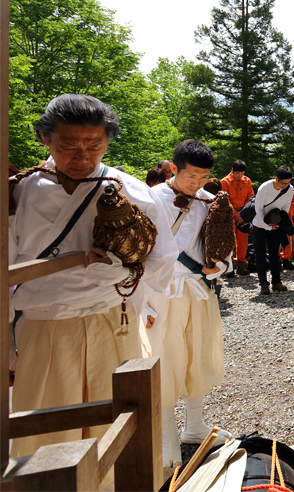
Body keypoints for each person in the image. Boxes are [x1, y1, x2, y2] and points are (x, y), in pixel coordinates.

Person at [9, 94, 176, 461]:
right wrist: (7, 349)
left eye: (94, 146)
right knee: (43, 440)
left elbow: (163, 259)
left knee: (116, 435)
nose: (82, 156)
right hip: (43, 328)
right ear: (44, 138)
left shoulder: (130, 190)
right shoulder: (20, 194)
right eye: (68, 145)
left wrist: (127, 277)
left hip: (110, 322)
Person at [143, 140, 232, 467]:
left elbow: (223, 247)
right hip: (162, 293)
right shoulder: (151, 199)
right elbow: (137, 254)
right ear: (174, 169)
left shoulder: (211, 201)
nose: (197, 183)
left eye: (204, 176)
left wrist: (220, 266)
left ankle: (194, 426)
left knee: (199, 353)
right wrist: (144, 305)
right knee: (165, 361)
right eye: (191, 176)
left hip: (198, 290)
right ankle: (166, 436)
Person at [253, 165, 294, 294]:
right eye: (282, 183)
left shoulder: (290, 189)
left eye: (287, 183)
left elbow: (285, 209)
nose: (285, 186)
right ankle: (263, 284)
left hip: (275, 223)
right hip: (260, 224)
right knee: (260, 255)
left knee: (275, 255)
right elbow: (258, 210)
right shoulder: (264, 188)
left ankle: (276, 282)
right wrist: (267, 226)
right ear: (276, 178)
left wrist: (277, 223)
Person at [220, 160, 254, 277]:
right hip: (229, 215)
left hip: (243, 215)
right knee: (229, 241)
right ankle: (229, 266)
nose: (240, 176)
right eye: (237, 173)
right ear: (232, 171)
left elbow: (251, 198)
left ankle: (241, 263)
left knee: (243, 240)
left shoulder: (247, 181)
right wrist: (235, 213)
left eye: (242, 173)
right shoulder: (224, 182)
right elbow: (224, 200)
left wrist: (244, 214)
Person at [279, 177, 294, 271]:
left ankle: (286, 259)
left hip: (287, 213)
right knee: (275, 237)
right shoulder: (277, 183)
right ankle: (276, 260)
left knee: (287, 237)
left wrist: (286, 212)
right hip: (275, 213)